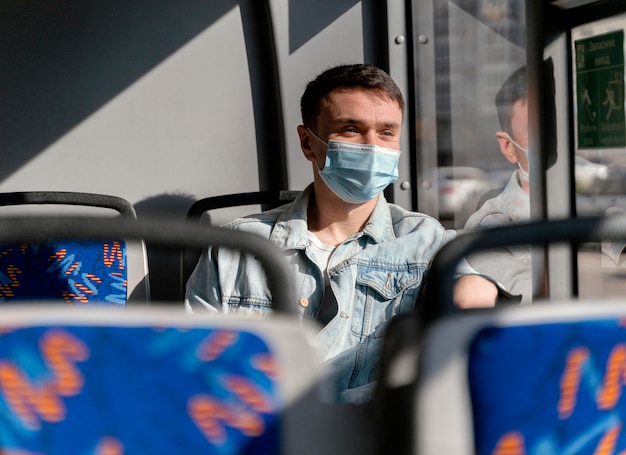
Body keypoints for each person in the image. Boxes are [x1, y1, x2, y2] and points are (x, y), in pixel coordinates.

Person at [186, 63, 500, 404]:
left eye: (386, 133)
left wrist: (474, 287)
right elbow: (196, 365)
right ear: (308, 143)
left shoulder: (425, 241)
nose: (372, 147)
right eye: (351, 130)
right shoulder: (239, 248)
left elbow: (469, 304)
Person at [463, 66, 533, 303]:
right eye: (538, 132)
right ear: (508, 146)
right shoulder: (489, 230)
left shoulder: (609, 205)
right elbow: (539, 298)